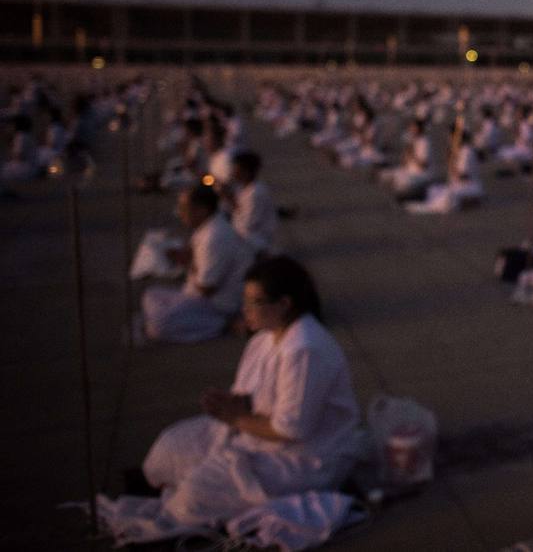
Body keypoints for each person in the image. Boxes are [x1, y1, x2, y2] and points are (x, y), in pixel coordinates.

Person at [103, 256, 362, 543]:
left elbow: (291, 429)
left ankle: (192, 499)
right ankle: (183, 485)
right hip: (255, 432)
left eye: (254, 302)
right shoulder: (263, 339)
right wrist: (230, 406)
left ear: (284, 305)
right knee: (169, 449)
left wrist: (236, 417)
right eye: (245, 300)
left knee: (192, 498)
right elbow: (254, 399)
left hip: (302, 457)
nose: (245, 310)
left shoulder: (304, 349)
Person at [141, 185, 254, 344]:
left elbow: (206, 288)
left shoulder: (215, 237)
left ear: (202, 210)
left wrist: (187, 263)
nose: (179, 213)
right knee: (150, 294)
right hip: (197, 295)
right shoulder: (206, 227)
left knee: (160, 323)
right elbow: (192, 254)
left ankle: (223, 325)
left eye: (184, 208)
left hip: (219, 305)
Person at [226, 150, 278, 255]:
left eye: (236, 170)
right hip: (245, 235)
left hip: (255, 240)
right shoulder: (243, 187)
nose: (232, 173)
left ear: (246, 172)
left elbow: (248, 224)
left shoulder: (256, 193)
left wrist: (230, 202)